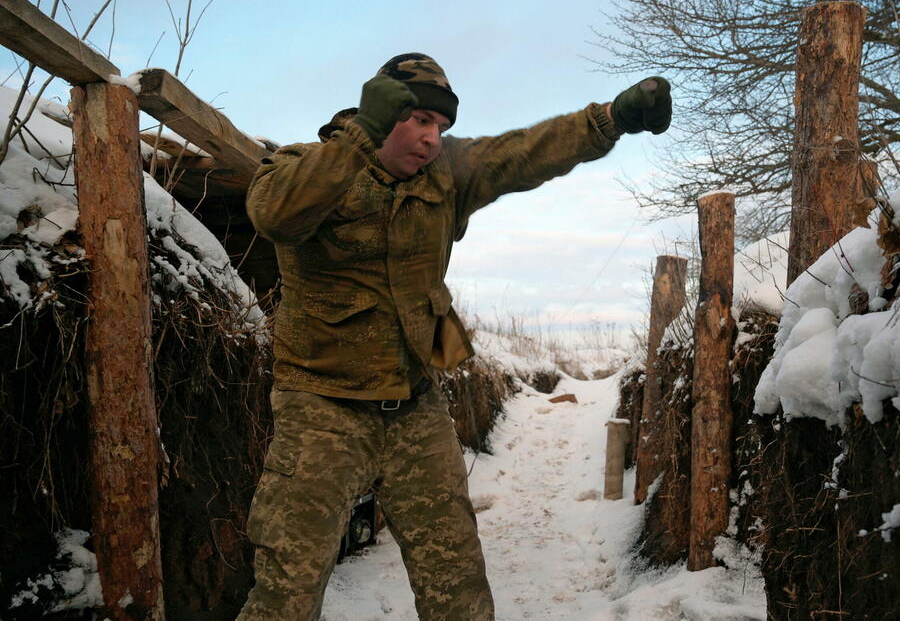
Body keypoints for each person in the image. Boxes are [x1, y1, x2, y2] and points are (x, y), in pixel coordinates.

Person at [237, 53, 671, 621]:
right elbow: (273, 214)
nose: (431, 138)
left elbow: (526, 150)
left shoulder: (445, 173)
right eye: (417, 119)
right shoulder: (309, 166)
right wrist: (357, 141)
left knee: (458, 581)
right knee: (286, 591)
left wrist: (611, 118)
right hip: (323, 408)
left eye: (440, 126)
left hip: (415, 407)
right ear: (380, 111)